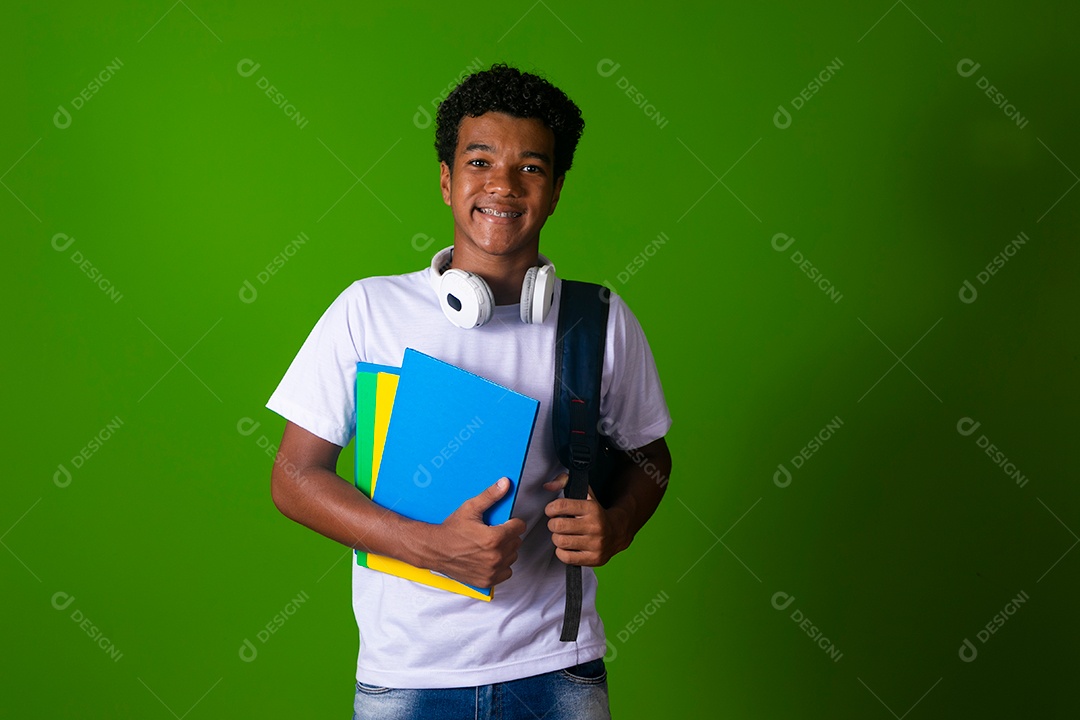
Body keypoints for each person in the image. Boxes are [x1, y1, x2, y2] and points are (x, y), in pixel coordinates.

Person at [267, 63, 672, 719]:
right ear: (446, 180)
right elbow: (294, 477)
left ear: (556, 190)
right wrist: (425, 545)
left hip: (558, 668)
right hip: (407, 677)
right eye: (479, 162)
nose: (502, 185)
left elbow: (650, 455)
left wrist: (618, 523)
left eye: (530, 168)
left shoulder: (595, 318)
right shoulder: (369, 310)